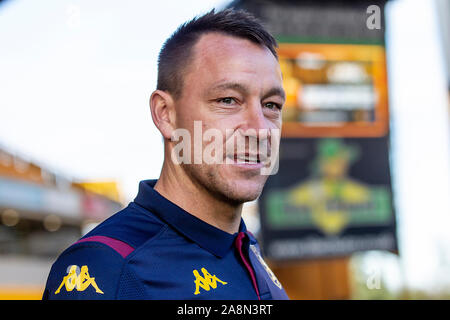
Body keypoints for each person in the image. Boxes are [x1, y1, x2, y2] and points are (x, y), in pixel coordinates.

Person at [43, 8, 288, 300]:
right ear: (166, 114)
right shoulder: (106, 268)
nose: (259, 129)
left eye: (271, 105)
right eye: (228, 100)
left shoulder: (246, 248)